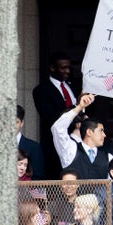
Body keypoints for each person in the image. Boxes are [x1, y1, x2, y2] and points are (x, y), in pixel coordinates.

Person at [33, 51, 79, 179]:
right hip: (55, 144)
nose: (68, 71)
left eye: (69, 67)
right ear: (53, 68)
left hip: (76, 141)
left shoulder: (74, 86)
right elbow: (50, 117)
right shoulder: (41, 90)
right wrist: (76, 107)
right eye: (63, 67)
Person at [51, 93, 112, 179]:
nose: (105, 135)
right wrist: (79, 107)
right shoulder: (70, 150)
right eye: (101, 131)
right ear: (89, 132)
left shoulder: (108, 157)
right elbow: (58, 128)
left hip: (100, 193)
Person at [17, 105, 45, 180]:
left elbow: (38, 176)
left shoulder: (34, 147)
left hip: (26, 190)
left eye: (16, 122)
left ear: (22, 123)